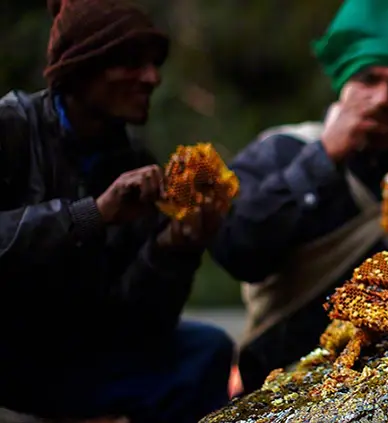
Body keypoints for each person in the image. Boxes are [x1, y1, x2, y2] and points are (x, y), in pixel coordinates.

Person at [210, 0, 388, 393]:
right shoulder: (283, 149)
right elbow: (237, 250)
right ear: (343, 86)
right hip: (279, 375)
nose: (382, 99)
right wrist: (324, 156)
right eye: (369, 79)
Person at [0, 1, 233, 422]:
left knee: (205, 349)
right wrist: (93, 213)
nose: (152, 77)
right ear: (78, 70)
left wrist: (173, 248)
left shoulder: (131, 162)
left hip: (70, 358)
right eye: (130, 63)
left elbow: (136, 323)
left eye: (153, 64)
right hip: (9, 352)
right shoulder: (12, 127)